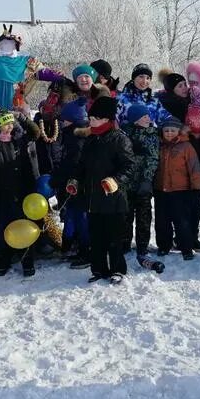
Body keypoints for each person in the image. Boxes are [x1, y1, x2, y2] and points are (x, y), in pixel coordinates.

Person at [69, 95, 135, 283]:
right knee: (96, 238)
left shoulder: (119, 139)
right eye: (90, 119)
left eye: (95, 118)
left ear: (106, 119)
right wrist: (75, 180)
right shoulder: (91, 139)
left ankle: (117, 270)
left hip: (113, 199)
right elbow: (82, 165)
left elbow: (129, 166)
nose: (91, 121)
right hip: (93, 198)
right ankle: (98, 270)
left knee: (113, 237)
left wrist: (116, 180)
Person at [0, 110, 39, 277]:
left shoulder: (19, 142)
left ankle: (27, 261)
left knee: (23, 226)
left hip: (20, 194)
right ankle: (3, 260)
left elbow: (28, 168)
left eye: (11, 123)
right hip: (0, 195)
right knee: (2, 228)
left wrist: (31, 190)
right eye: (5, 124)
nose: (9, 127)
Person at [153, 117, 200, 260]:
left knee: (182, 221)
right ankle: (164, 246)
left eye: (172, 130)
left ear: (178, 131)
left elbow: (194, 168)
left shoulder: (186, 147)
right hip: (161, 190)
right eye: (166, 130)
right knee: (162, 221)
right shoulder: (159, 146)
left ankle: (186, 247)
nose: (169, 133)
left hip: (181, 191)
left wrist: (196, 188)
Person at [51, 100, 92, 268]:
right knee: (73, 217)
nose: (62, 122)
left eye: (65, 119)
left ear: (71, 120)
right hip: (73, 186)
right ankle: (74, 248)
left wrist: (59, 178)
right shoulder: (72, 135)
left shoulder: (76, 139)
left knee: (81, 219)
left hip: (78, 187)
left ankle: (86, 252)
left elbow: (72, 165)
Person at [122, 104, 160, 262]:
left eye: (147, 116)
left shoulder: (152, 134)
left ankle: (142, 245)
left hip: (144, 182)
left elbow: (153, 159)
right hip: (127, 183)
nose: (147, 119)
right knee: (126, 214)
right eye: (143, 117)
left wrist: (146, 179)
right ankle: (124, 243)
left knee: (144, 215)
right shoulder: (125, 133)